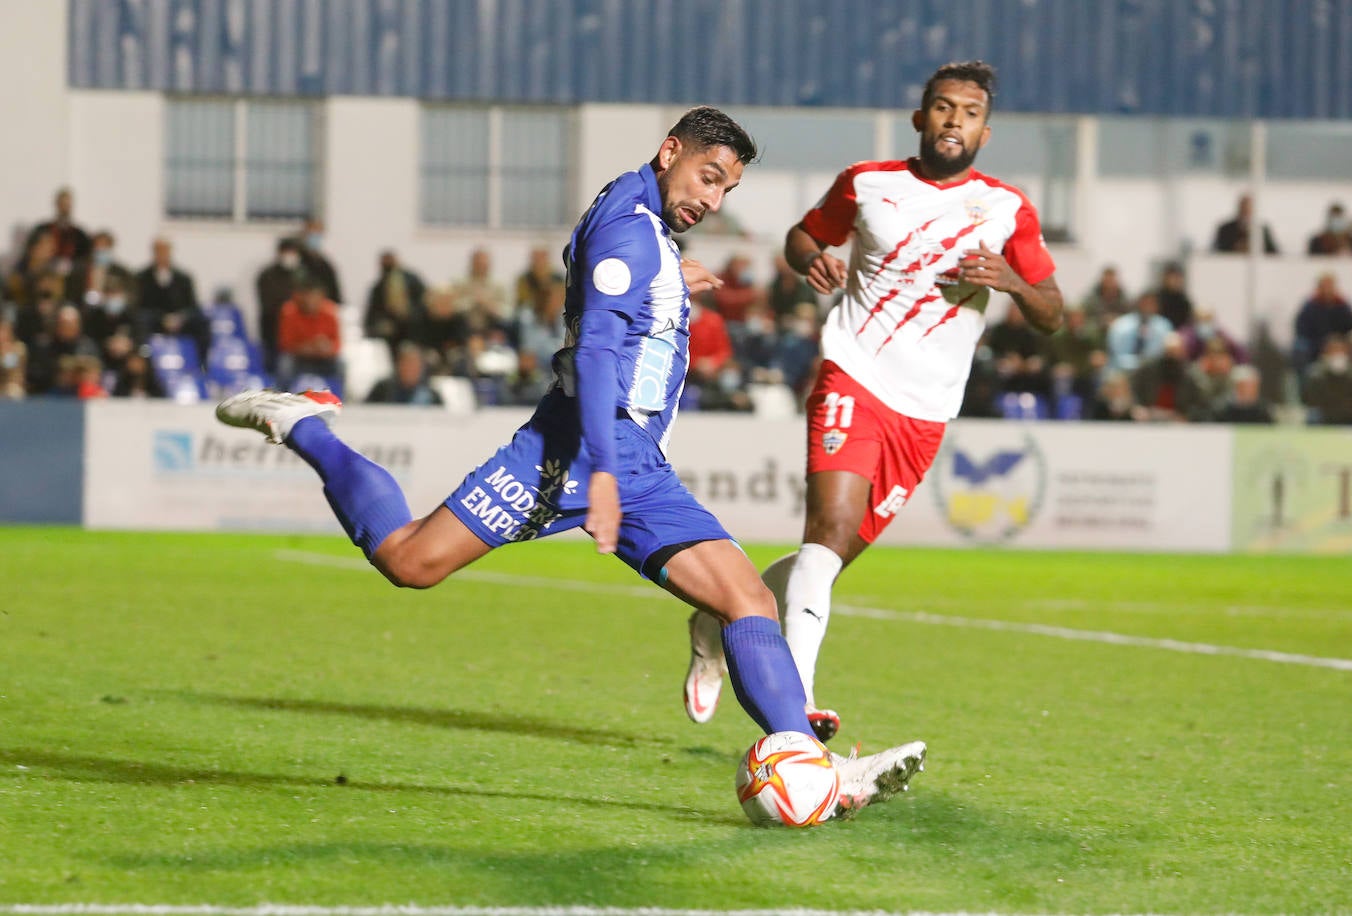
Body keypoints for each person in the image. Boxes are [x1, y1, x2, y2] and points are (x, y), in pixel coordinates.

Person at [214, 106, 927, 816]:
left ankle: (815, 765)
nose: (710, 200)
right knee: (408, 561)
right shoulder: (629, 228)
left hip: (633, 460)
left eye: (724, 191)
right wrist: (606, 476)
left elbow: (620, 289)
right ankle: (304, 426)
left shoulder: (644, 221)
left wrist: (676, 284)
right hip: (572, 452)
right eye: (707, 178)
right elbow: (593, 355)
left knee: (748, 599)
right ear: (669, 150)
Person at [682, 62, 1063, 742]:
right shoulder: (869, 183)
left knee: (827, 558)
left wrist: (1010, 281)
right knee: (826, 533)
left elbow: (1054, 314)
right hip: (853, 372)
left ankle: (715, 621)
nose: (953, 120)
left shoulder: (1008, 210)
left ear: (985, 129)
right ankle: (792, 713)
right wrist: (809, 260)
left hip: (926, 410)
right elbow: (804, 236)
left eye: (968, 112)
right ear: (920, 118)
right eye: (942, 108)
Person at [255, 238, 306, 374]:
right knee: (275, 368)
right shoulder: (267, 275)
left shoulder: (303, 275)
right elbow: (267, 303)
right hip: (273, 331)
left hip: (299, 334)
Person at [365, 340, 442, 406]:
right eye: (406, 364)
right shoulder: (382, 389)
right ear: (398, 365)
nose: (409, 370)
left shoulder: (432, 396)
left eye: (414, 366)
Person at [1211, 193, 1278, 255]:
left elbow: (1274, 253)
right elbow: (1215, 250)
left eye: (1249, 208)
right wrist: (1235, 248)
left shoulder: (1262, 230)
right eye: (1243, 207)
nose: (1246, 211)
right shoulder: (1225, 229)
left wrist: (1255, 249)